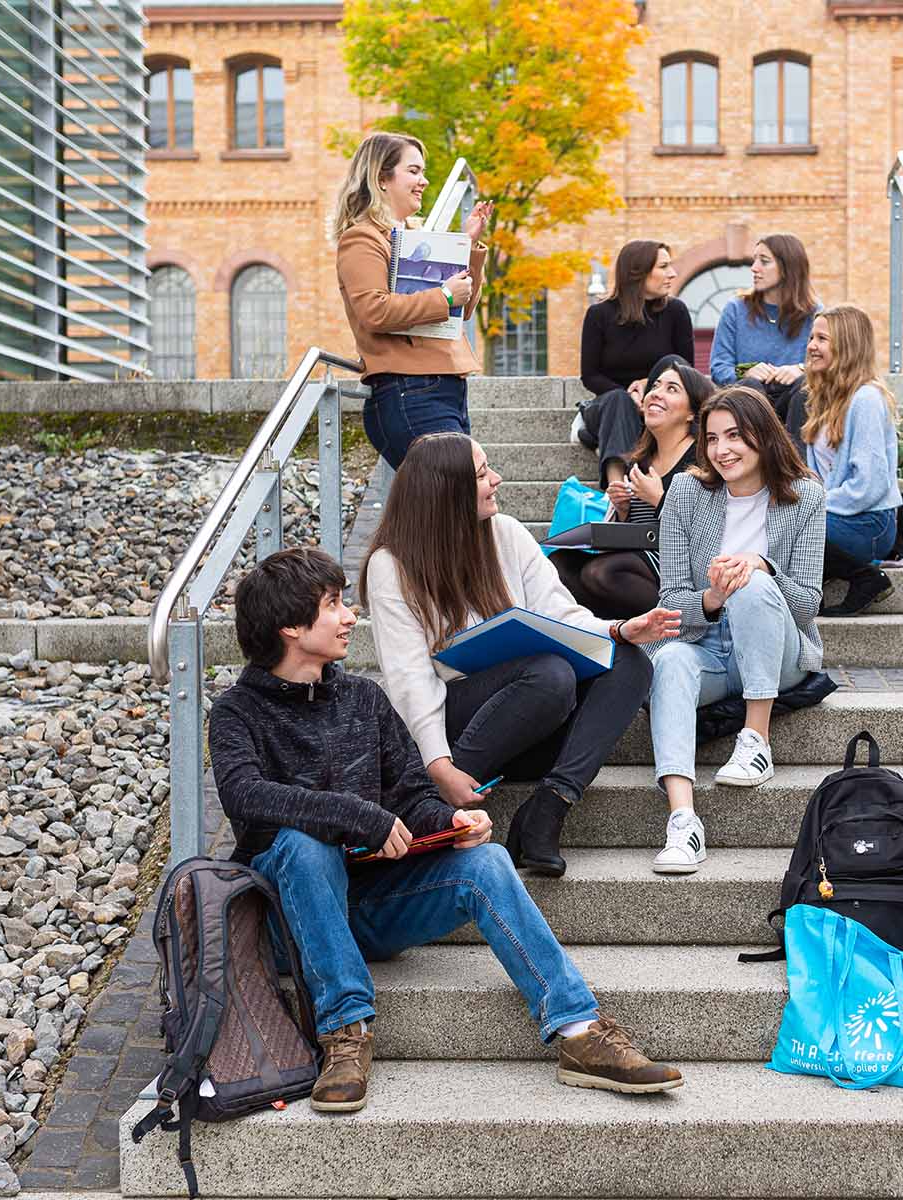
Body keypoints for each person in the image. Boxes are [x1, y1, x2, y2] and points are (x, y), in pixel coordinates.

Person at [206, 547, 684, 1112]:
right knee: (303, 845)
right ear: (290, 626)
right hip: (291, 924)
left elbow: (410, 791)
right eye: (333, 605)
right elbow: (246, 796)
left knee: (485, 862)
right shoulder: (237, 712)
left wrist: (449, 820)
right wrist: (360, 816)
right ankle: (344, 1033)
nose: (349, 616)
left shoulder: (363, 698)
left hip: (377, 905)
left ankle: (579, 1031)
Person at [362, 433, 681, 878]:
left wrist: (619, 629)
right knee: (549, 673)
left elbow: (560, 614)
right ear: (446, 491)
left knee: (627, 661)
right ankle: (431, 808)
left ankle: (548, 807)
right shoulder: (391, 565)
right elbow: (410, 679)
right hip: (460, 731)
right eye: (481, 474)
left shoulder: (506, 534)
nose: (496, 479)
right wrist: (440, 767)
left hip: (534, 720)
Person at [646, 388, 825, 874]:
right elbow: (671, 602)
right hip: (708, 647)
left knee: (752, 583)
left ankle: (756, 739)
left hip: (778, 652)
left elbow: (809, 605)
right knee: (669, 661)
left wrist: (762, 567)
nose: (722, 450)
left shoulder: (805, 495)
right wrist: (712, 598)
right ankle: (683, 823)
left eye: (735, 436)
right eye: (712, 439)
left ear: (763, 437)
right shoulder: (686, 492)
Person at [330, 132, 496, 469]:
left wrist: (466, 246)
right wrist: (444, 294)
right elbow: (374, 311)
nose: (424, 180)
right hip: (409, 390)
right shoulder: (362, 238)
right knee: (453, 500)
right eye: (414, 171)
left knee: (454, 506)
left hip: (441, 387)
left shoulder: (415, 238)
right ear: (382, 178)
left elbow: (460, 311)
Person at [553, 355, 712, 619]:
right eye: (656, 386)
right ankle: (617, 631)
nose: (656, 394)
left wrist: (659, 499)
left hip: (678, 567)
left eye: (672, 389)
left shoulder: (701, 459)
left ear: (692, 412)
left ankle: (680, 621)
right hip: (634, 560)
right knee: (559, 566)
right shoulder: (640, 459)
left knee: (603, 573)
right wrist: (623, 509)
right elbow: (635, 533)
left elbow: (708, 531)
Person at [800, 306, 903, 617]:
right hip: (840, 515)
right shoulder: (825, 399)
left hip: (870, 522)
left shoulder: (867, 400)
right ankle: (809, 588)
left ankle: (867, 578)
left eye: (822, 339)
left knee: (792, 521)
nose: (811, 345)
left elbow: (870, 485)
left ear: (846, 346)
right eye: (811, 337)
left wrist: (813, 503)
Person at [575, 241, 694, 486]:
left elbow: (686, 369)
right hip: (610, 404)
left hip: (660, 402)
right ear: (638, 272)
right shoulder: (600, 314)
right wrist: (629, 394)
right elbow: (590, 375)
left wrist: (648, 387)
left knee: (673, 363)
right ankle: (617, 487)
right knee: (619, 401)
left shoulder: (676, 312)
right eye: (663, 266)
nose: (672, 273)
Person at [707, 234, 818, 443]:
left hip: (793, 401)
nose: (754, 268)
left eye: (764, 261)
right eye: (755, 260)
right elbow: (718, 367)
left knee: (805, 385)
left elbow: (829, 365)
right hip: (747, 404)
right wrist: (745, 372)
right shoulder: (735, 309)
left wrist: (800, 369)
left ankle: (800, 468)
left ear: (788, 269)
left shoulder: (814, 313)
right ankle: (762, 458)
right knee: (750, 386)